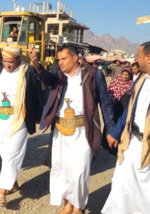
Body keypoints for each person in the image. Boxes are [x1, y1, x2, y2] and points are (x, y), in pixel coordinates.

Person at [29, 44, 115, 214]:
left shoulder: (93, 75)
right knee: (62, 169)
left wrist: (111, 129)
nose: (60, 62)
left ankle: (79, 207)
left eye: (63, 59)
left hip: (83, 130)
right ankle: (68, 204)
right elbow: (47, 79)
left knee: (80, 170)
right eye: (58, 59)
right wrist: (37, 65)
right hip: (61, 130)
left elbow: (105, 103)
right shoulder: (58, 75)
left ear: (75, 58)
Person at [102, 41, 150, 214]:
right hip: (132, 143)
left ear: (149, 58)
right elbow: (130, 112)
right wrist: (115, 133)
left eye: (138, 56)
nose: (136, 60)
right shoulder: (140, 80)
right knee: (123, 187)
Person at [0, 46, 42, 207]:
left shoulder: (27, 72)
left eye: (10, 62)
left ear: (18, 60)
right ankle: (12, 182)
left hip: (19, 117)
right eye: (5, 61)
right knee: (5, 152)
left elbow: (37, 95)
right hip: (0, 118)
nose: (7, 65)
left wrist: (38, 116)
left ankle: (2, 191)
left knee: (13, 153)